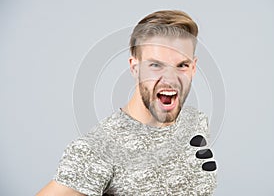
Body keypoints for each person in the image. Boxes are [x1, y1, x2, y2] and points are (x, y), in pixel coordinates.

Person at [37, 10, 217, 196]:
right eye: (156, 65)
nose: (171, 80)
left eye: (182, 65)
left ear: (193, 68)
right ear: (135, 67)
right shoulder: (99, 147)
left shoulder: (195, 121)